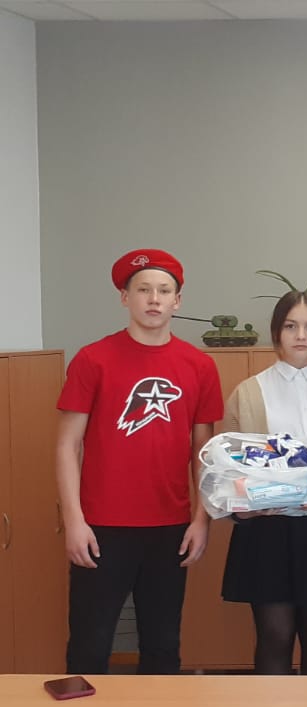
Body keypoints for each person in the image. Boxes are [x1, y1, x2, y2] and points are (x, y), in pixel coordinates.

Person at [56, 248, 223, 674]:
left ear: (177, 301)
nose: (153, 299)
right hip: (101, 527)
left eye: (164, 291)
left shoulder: (199, 366)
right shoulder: (93, 359)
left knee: (163, 645)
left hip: (170, 527)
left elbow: (204, 453)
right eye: (144, 289)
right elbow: (67, 445)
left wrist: (201, 519)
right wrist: (74, 521)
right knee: (90, 644)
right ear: (124, 297)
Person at [219, 291, 307, 675]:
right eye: (291, 326)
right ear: (276, 333)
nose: (301, 335)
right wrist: (248, 502)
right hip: (267, 527)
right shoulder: (249, 391)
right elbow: (227, 463)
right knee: (275, 636)